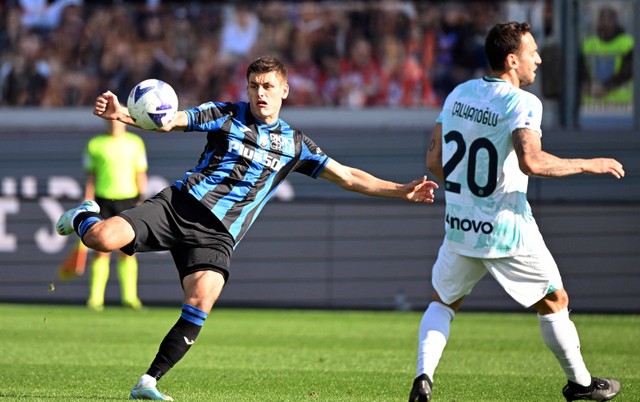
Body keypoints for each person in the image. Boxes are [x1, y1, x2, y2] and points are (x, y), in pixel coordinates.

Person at [55, 56, 438, 401]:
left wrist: (401, 190)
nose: (260, 93)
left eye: (268, 86)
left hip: (219, 235)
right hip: (179, 205)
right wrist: (121, 113)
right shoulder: (226, 114)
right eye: (254, 86)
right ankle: (82, 215)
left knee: (201, 299)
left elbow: (349, 176)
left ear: (284, 91)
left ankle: (148, 382)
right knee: (101, 239)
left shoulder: (295, 144)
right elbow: (169, 120)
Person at [408, 22, 624, 402]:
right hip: (507, 227)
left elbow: (433, 160)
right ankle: (582, 385)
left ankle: (423, 377)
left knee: (442, 302)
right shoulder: (523, 102)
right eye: (532, 52)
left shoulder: (458, 94)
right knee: (555, 301)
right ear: (512, 60)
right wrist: (591, 163)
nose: (538, 59)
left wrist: (468, 193)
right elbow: (533, 162)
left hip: (460, 226)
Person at [83, 119, 148, 311]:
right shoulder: (95, 144)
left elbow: (140, 173)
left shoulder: (135, 142)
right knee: (100, 251)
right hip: (102, 200)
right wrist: (87, 200)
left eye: (117, 119)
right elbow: (90, 176)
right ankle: (95, 299)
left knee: (127, 252)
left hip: (128, 200)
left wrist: (141, 200)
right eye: (110, 120)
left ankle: (130, 298)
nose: (114, 123)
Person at [580, 5, 634, 108]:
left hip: (622, 105)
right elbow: (581, 70)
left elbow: (627, 71)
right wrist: (588, 85)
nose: (605, 23)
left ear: (615, 21)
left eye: (609, 19)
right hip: (592, 105)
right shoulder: (589, 45)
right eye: (603, 18)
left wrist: (606, 87)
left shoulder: (627, 44)